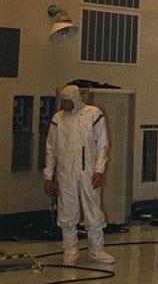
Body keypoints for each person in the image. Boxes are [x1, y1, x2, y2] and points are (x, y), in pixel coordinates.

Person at [43, 84, 114, 265]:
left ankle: (97, 250)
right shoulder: (58, 119)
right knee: (67, 212)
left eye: (67, 101)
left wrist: (99, 170)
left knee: (92, 211)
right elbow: (51, 149)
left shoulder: (93, 114)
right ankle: (70, 250)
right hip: (65, 173)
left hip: (88, 171)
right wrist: (48, 176)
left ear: (75, 99)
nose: (64, 105)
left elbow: (102, 145)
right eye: (62, 101)